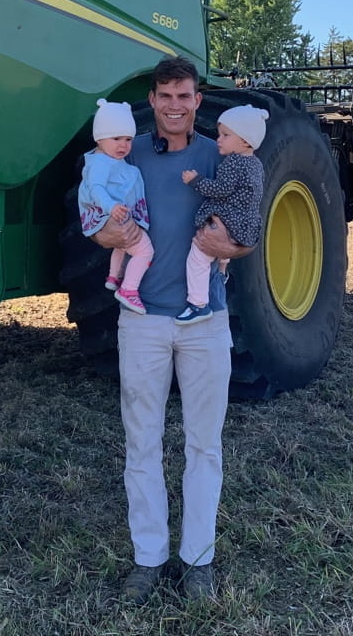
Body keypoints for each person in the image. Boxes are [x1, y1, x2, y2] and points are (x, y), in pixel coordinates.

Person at [90, 57, 252, 604]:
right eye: (165, 96)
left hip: (206, 323)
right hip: (142, 321)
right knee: (142, 443)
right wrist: (107, 237)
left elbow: (250, 230)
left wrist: (231, 248)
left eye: (184, 96)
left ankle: (198, 561)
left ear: (197, 101)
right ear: (153, 100)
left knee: (203, 446)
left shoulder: (222, 155)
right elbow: (94, 222)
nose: (175, 106)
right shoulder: (123, 152)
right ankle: (149, 558)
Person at [177, 105, 267, 324]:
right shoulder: (256, 164)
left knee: (197, 257)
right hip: (245, 223)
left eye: (226, 135)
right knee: (220, 246)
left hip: (230, 221)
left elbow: (220, 189)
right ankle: (222, 269)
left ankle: (198, 304)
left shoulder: (233, 162)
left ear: (245, 141)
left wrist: (195, 180)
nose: (219, 139)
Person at [78, 99, 152, 313]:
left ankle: (113, 276)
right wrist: (111, 208)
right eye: (116, 138)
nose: (123, 145)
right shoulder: (100, 164)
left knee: (122, 244)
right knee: (144, 251)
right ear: (99, 138)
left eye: (128, 139)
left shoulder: (109, 160)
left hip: (116, 213)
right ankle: (128, 289)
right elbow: (96, 189)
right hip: (111, 213)